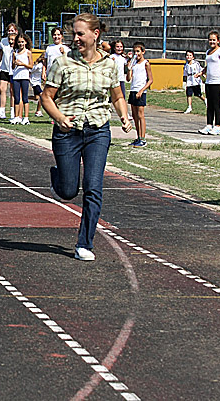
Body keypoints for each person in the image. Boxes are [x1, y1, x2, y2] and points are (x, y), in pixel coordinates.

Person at [40, 13, 132, 262]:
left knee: (93, 187)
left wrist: (124, 116)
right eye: (74, 34)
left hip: (98, 130)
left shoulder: (110, 65)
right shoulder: (62, 63)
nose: (76, 38)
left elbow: (117, 96)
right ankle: (58, 178)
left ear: (95, 35)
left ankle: (85, 243)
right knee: (69, 191)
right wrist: (59, 118)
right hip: (68, 131)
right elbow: (46, 97)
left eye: (81, 34)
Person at [199, 31, 220, 135]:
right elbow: (209, 65)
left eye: (214, 40)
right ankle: (209, 124)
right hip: (209, 81)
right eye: (210, 40)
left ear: (218, 41)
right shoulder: (208, 52)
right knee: (209, 104)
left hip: (218, 81)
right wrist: (202, 72)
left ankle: (217, 126)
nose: (212, 42)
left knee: (216, 104)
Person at [127, 42, 153, 147]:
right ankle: (138, 137)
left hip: (140, 91)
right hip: (133, 90)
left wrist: (142, 90)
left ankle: (143, 138)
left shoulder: (146, 63)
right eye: (135, 51)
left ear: (143, 52)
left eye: (138, 51)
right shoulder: (134, 64)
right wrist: (129, 69)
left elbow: (150, 80)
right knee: (134, 115)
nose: (136, 54)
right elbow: (128, 79)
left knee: (140, 115)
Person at [11, 32, 33, 125]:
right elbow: (12, 66)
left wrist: (22, 64)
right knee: (16, 97)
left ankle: (26, 117)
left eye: (22, 42)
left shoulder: (28, 52)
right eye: (19, 42)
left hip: (24, 77)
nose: (21, 44)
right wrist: (15, 63)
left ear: (26, 42)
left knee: (25, 97)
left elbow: (31, 66)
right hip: (16, 77)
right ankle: (16, 117)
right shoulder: (15, 52)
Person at [0, 24, 18, 119]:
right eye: (9, 30)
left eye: (13, 30)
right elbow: (0, 54)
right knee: (2, 88)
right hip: (4, 68)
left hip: (14, 70)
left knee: (12, 91)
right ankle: (2, 110)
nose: (11, 32)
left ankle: (12, 110)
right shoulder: (3, 41)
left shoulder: (18, 41)